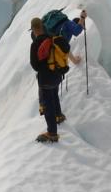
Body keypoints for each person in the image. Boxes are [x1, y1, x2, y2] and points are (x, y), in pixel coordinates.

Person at [29, 14, 84, 143]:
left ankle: (52, 133)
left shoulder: (36, 44)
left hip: (45, 78)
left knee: (48, 104)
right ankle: (58, 116)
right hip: (57, 74)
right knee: (54, 96)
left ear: (33, 29)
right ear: (43, 26)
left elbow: (34, 65)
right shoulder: (53, 38)